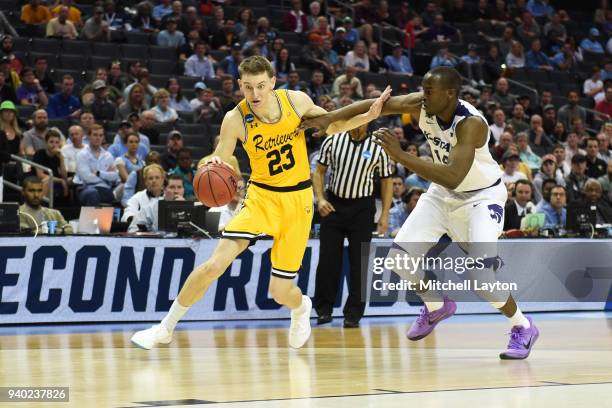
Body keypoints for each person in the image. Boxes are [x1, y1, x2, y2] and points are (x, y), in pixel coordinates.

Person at [130, 55, 388, 351]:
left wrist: (369, 116)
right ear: (240, 85)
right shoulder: (235, 118)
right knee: (214, 265)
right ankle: (165, 328)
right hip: (260, 198)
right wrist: (215, 162)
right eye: (248, 87)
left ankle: (301, 306)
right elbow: (221, 154)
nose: (254, 94)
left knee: (280, 292)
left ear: (273, 83)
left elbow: (333, 125)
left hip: (298, 201)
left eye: (261, 86)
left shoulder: (297, 102)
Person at [302, 66, 540, 359]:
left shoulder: (471, 124)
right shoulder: (422, 104)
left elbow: (453, 175)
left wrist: (401, 156)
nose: (422, 96)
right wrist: (330, 117)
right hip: (442, 195)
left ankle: (523, 326)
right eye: (423, 89)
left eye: (429, 91)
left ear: (450, 94)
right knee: (399, 259)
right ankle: (436, 305)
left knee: (482, 278)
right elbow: (376, 106)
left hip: (481, 197)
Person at [312, 122, 392, 328]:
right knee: (328, 260)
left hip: (363, 209)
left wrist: (384, 214)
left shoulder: (378, 147)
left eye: (361, 118)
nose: (357, 122)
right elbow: (319, 171)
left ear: (367, 121)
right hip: (334, 205)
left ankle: (353, 314)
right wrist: (320, 199)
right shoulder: (333, 140)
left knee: (360, 263)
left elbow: (386, 181)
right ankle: (323, 310)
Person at [74, 124, 119, 205]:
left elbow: (115, 177)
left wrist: (99, 173)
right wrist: (107, 177)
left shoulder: (108, 156)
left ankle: (102, 217)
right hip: (86, 188)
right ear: (89, 136)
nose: (98, 138)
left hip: (105, 190)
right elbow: (87, 178)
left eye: (101, 135)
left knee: (110, 194)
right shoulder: (81, 155)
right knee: (93, 194)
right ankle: (91, 218)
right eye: (95, 135)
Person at [32, 129, 69, 199]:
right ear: (46, 142)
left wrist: (61, 158)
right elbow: (40, 175)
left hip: (54, 181)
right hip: (40, 181)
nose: (54, 145)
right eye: (51, 142)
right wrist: (60, 180)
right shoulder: (39, 154)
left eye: (57, 142)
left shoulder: (59, 156)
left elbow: (64, 176)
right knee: (46, 181)